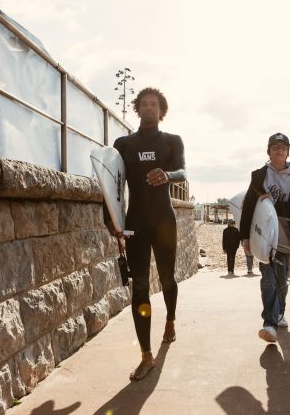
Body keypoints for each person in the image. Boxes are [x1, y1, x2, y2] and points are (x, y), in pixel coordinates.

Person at [103, 87, 186, 380]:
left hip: (164, 221)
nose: (150, 108)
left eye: (155, 104)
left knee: (166, 279)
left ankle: (171, 319)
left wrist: (167, 174)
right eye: (145, 104)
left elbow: (183, 172)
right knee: (139, 287)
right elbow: (111, 182)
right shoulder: (123, 144)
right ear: (138, 109)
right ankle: (146, 355)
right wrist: (111, 221)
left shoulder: (172, 142)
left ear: (161, 111)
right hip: (136, 222)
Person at [239, 132, 290, 343]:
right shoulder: (259, 175)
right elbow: (249, 207)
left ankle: (279, 312)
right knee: (268, 280)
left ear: (288, 151)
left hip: (286, 236)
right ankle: (269, 323)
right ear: (268, 151)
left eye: (283, 147)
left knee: (282, 281)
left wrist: (275, 204)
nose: (279, 150)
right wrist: (245, 238)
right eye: (275, 147)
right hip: (263, 237)